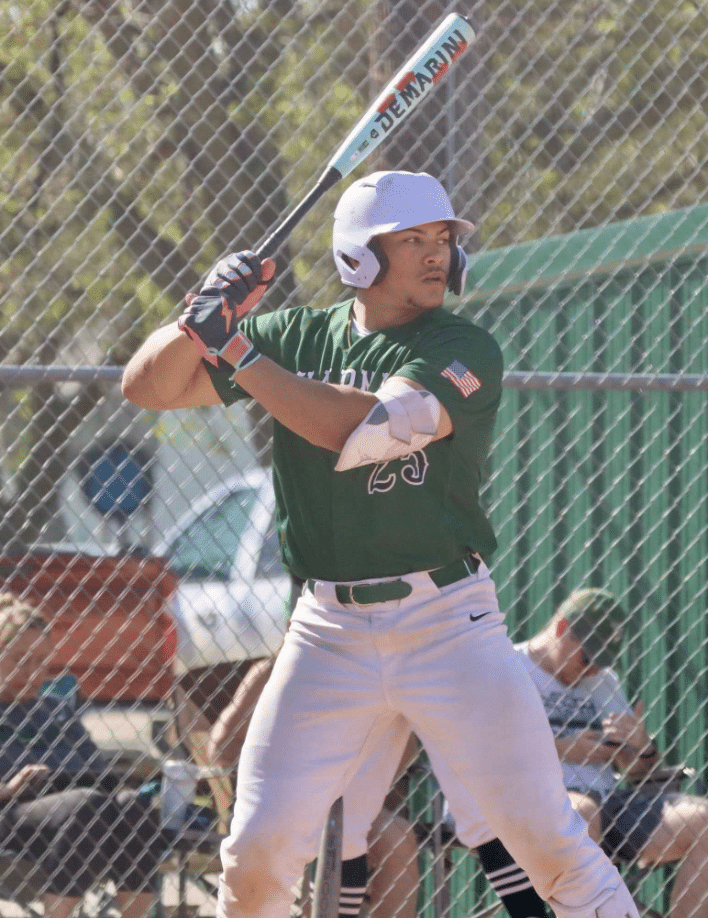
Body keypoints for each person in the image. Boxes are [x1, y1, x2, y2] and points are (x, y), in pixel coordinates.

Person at [122, 169, 639, 918]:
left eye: (444, 238)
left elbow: (363, 432)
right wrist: (197, 318)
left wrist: (234, 349)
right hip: (327, 630)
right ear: (358, 257)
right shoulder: (294, 336)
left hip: (447, 623)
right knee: (256, 855)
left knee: (549, 846)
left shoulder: (463, 346)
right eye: (413, 239)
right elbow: (149, 387)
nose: (437, 254)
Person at [445, 588, 708, 918]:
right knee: (580, 813)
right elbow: (470, 751)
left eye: (603, 661)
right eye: (589, 657)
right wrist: (558, 749)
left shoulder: (605, 683)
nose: (594, 670)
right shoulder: (505, 668)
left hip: (609, 804)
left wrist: (642, 747)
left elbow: (641, 773)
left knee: (703, 821)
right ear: (561, 629)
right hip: (527, 803)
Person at [208, 654, 420, 918]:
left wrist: (362, 780)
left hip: (349, 801)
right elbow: (219, 749)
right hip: (282, 798)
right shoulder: (273, 668)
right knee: (312, 826)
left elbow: (406, 751)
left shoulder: (378, 670)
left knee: (396, 836)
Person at [0, 592, 164, 918]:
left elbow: (94, 768)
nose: (32, 673)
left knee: (134, 805)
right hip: (11, 812)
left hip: (76, 812)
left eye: (40, 663)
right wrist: (10, 788)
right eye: (20, 660)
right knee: (86, 803)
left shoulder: (56, 710)